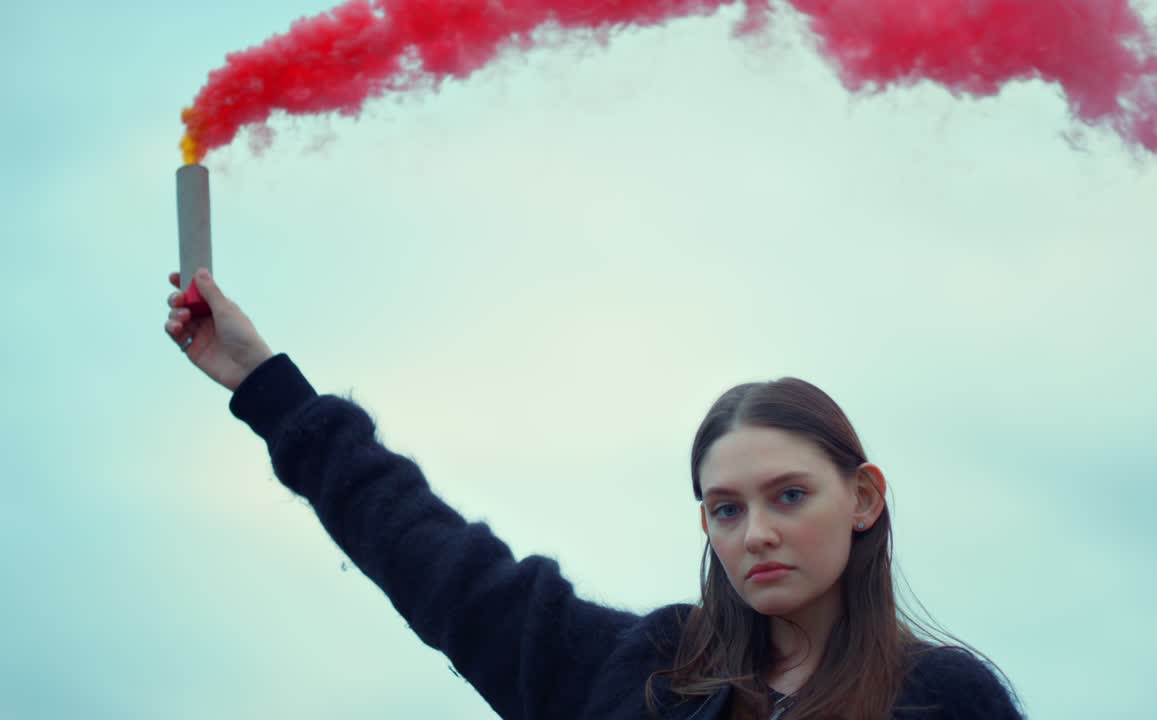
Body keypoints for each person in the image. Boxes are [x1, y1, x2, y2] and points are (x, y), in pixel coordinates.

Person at [164, 268, 1024, 720]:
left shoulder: (943, 700)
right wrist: (265, 385)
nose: (755, 532)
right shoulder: (645, 677)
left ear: (864, 498)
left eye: (789, 495)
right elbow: (437, 564)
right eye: (727, 508)